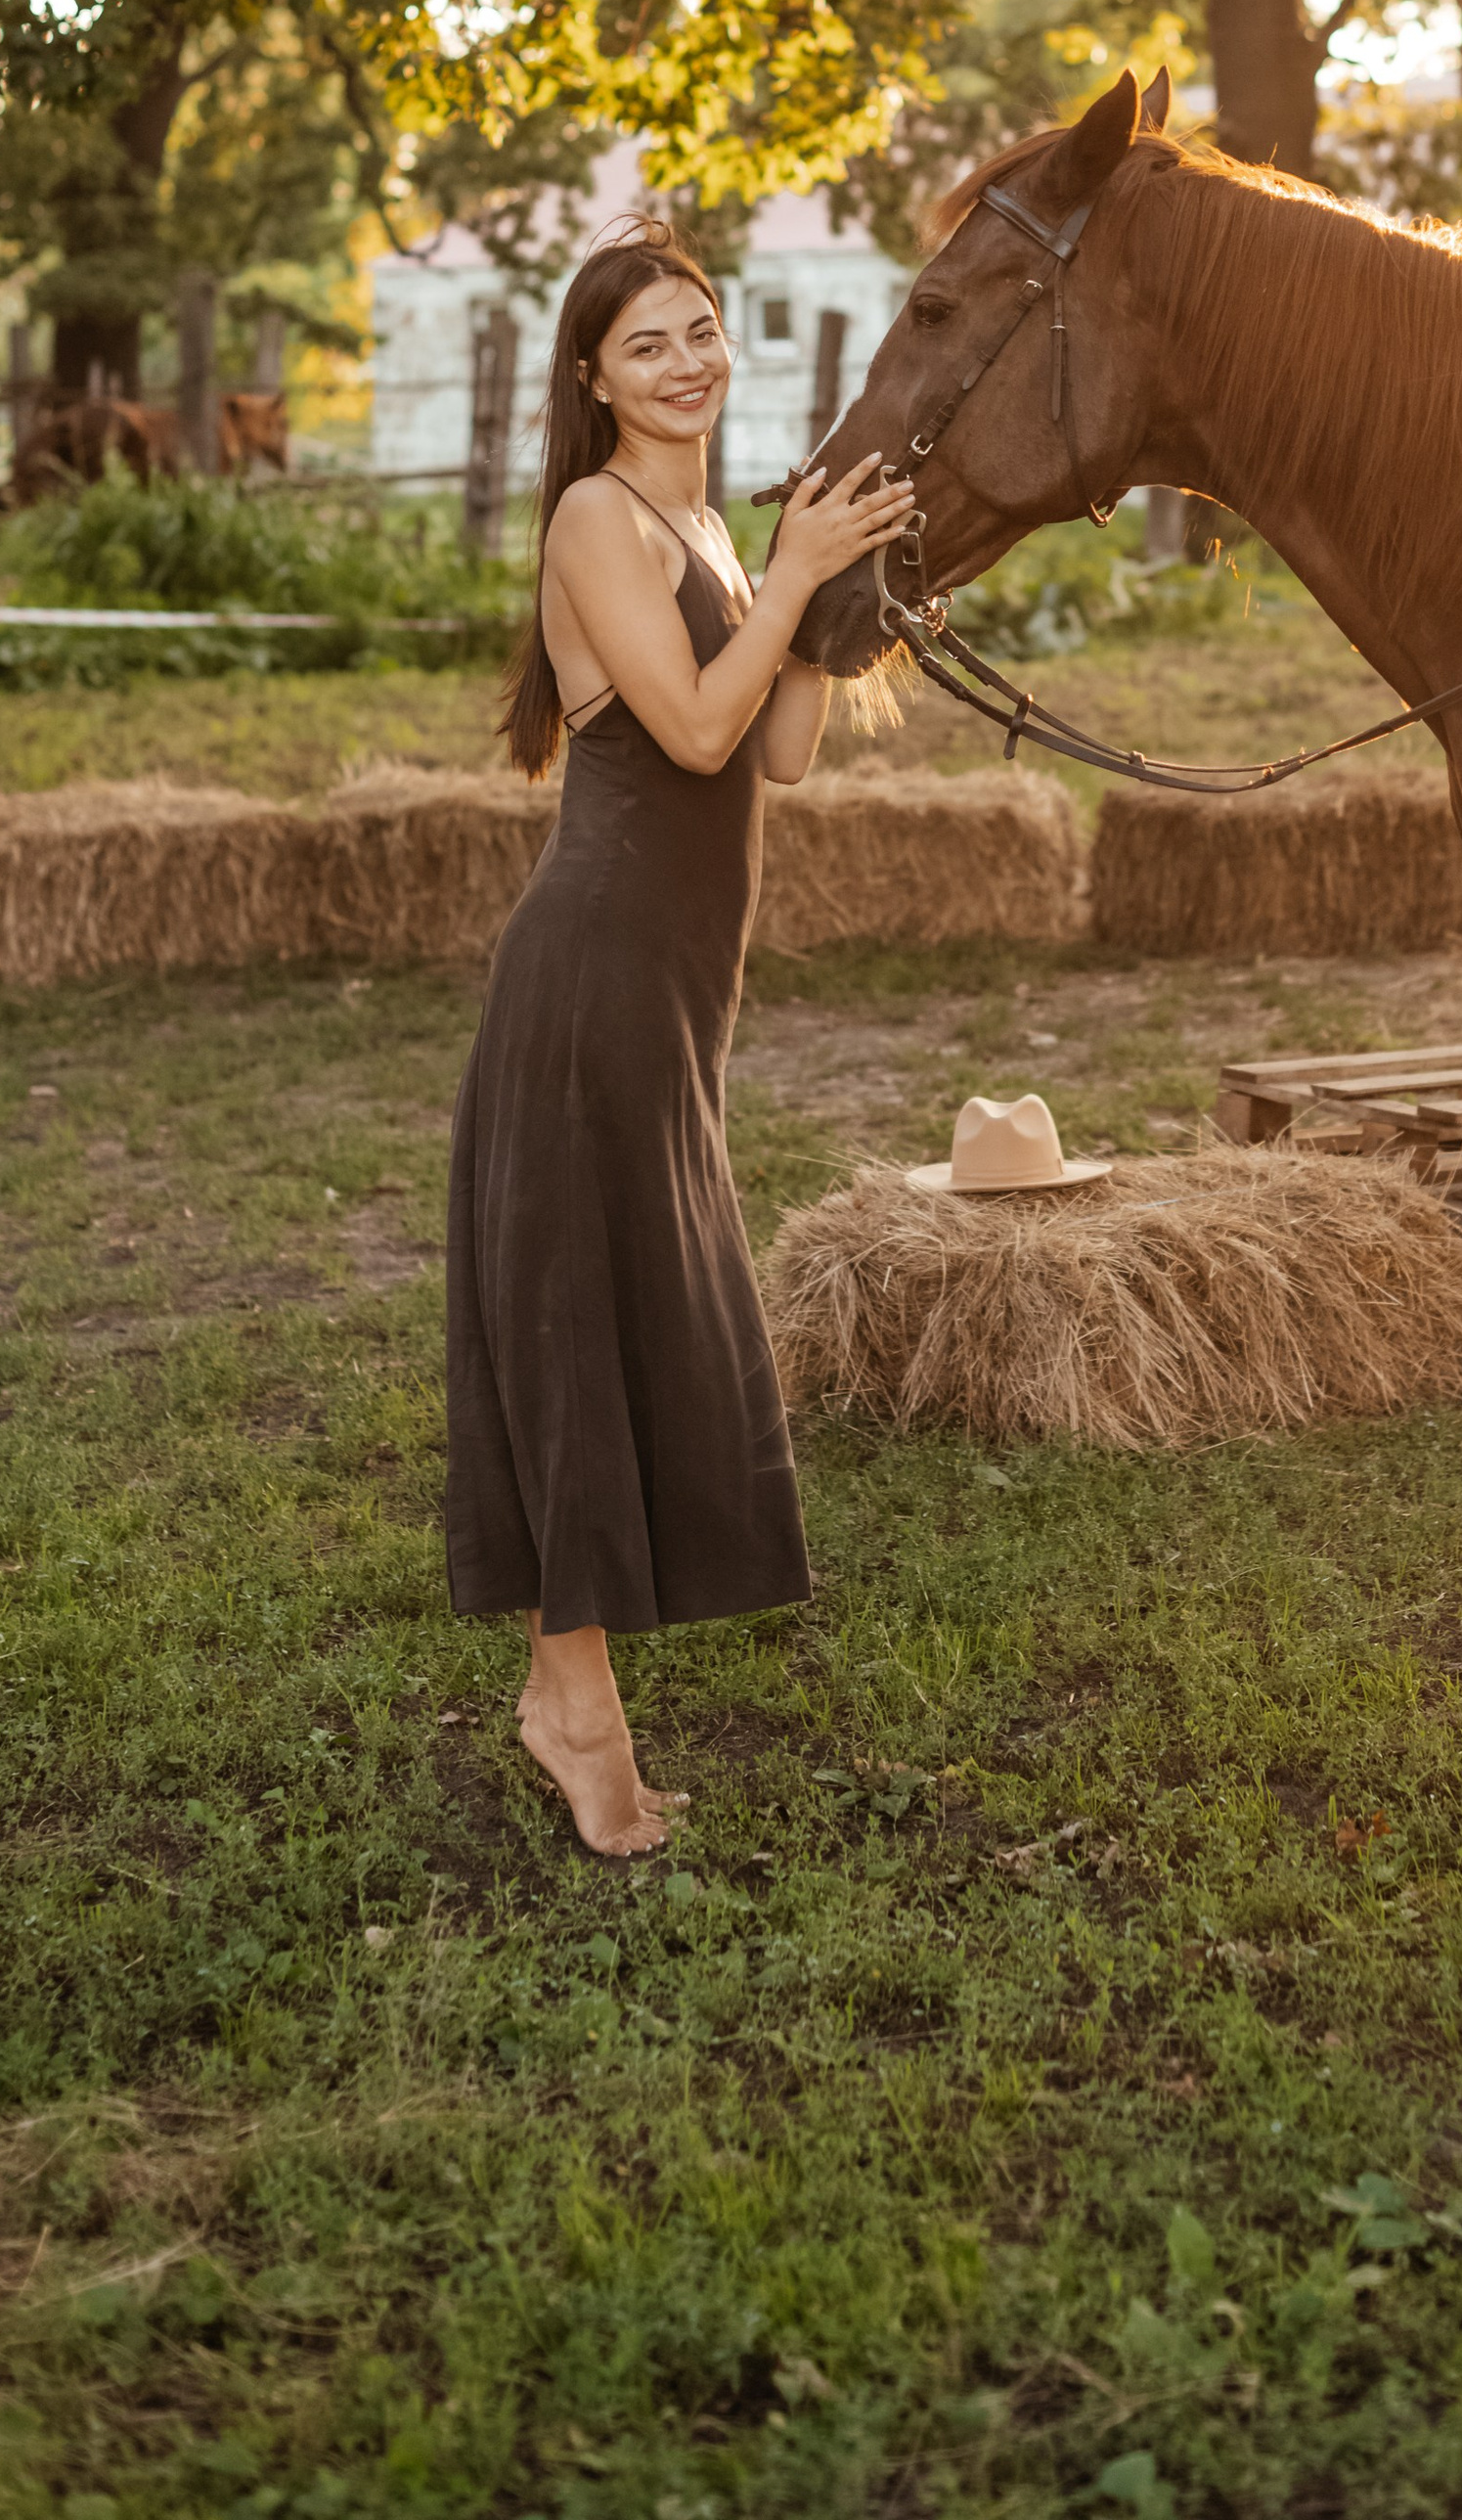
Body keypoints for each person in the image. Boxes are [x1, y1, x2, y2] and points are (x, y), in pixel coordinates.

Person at [446, 215, 914, 1857]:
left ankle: (567, 1692)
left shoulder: (709, 525)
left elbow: (776, 748)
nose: (691, 360)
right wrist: (785, 577)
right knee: (576, 1318)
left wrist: (847, 597)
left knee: (622, 1306)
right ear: (594, 379)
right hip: (589, 974)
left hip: (674, 984)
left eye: (703, 328)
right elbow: (696, 726)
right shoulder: (597, 516)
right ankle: (571, 1707)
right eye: (650, 342)